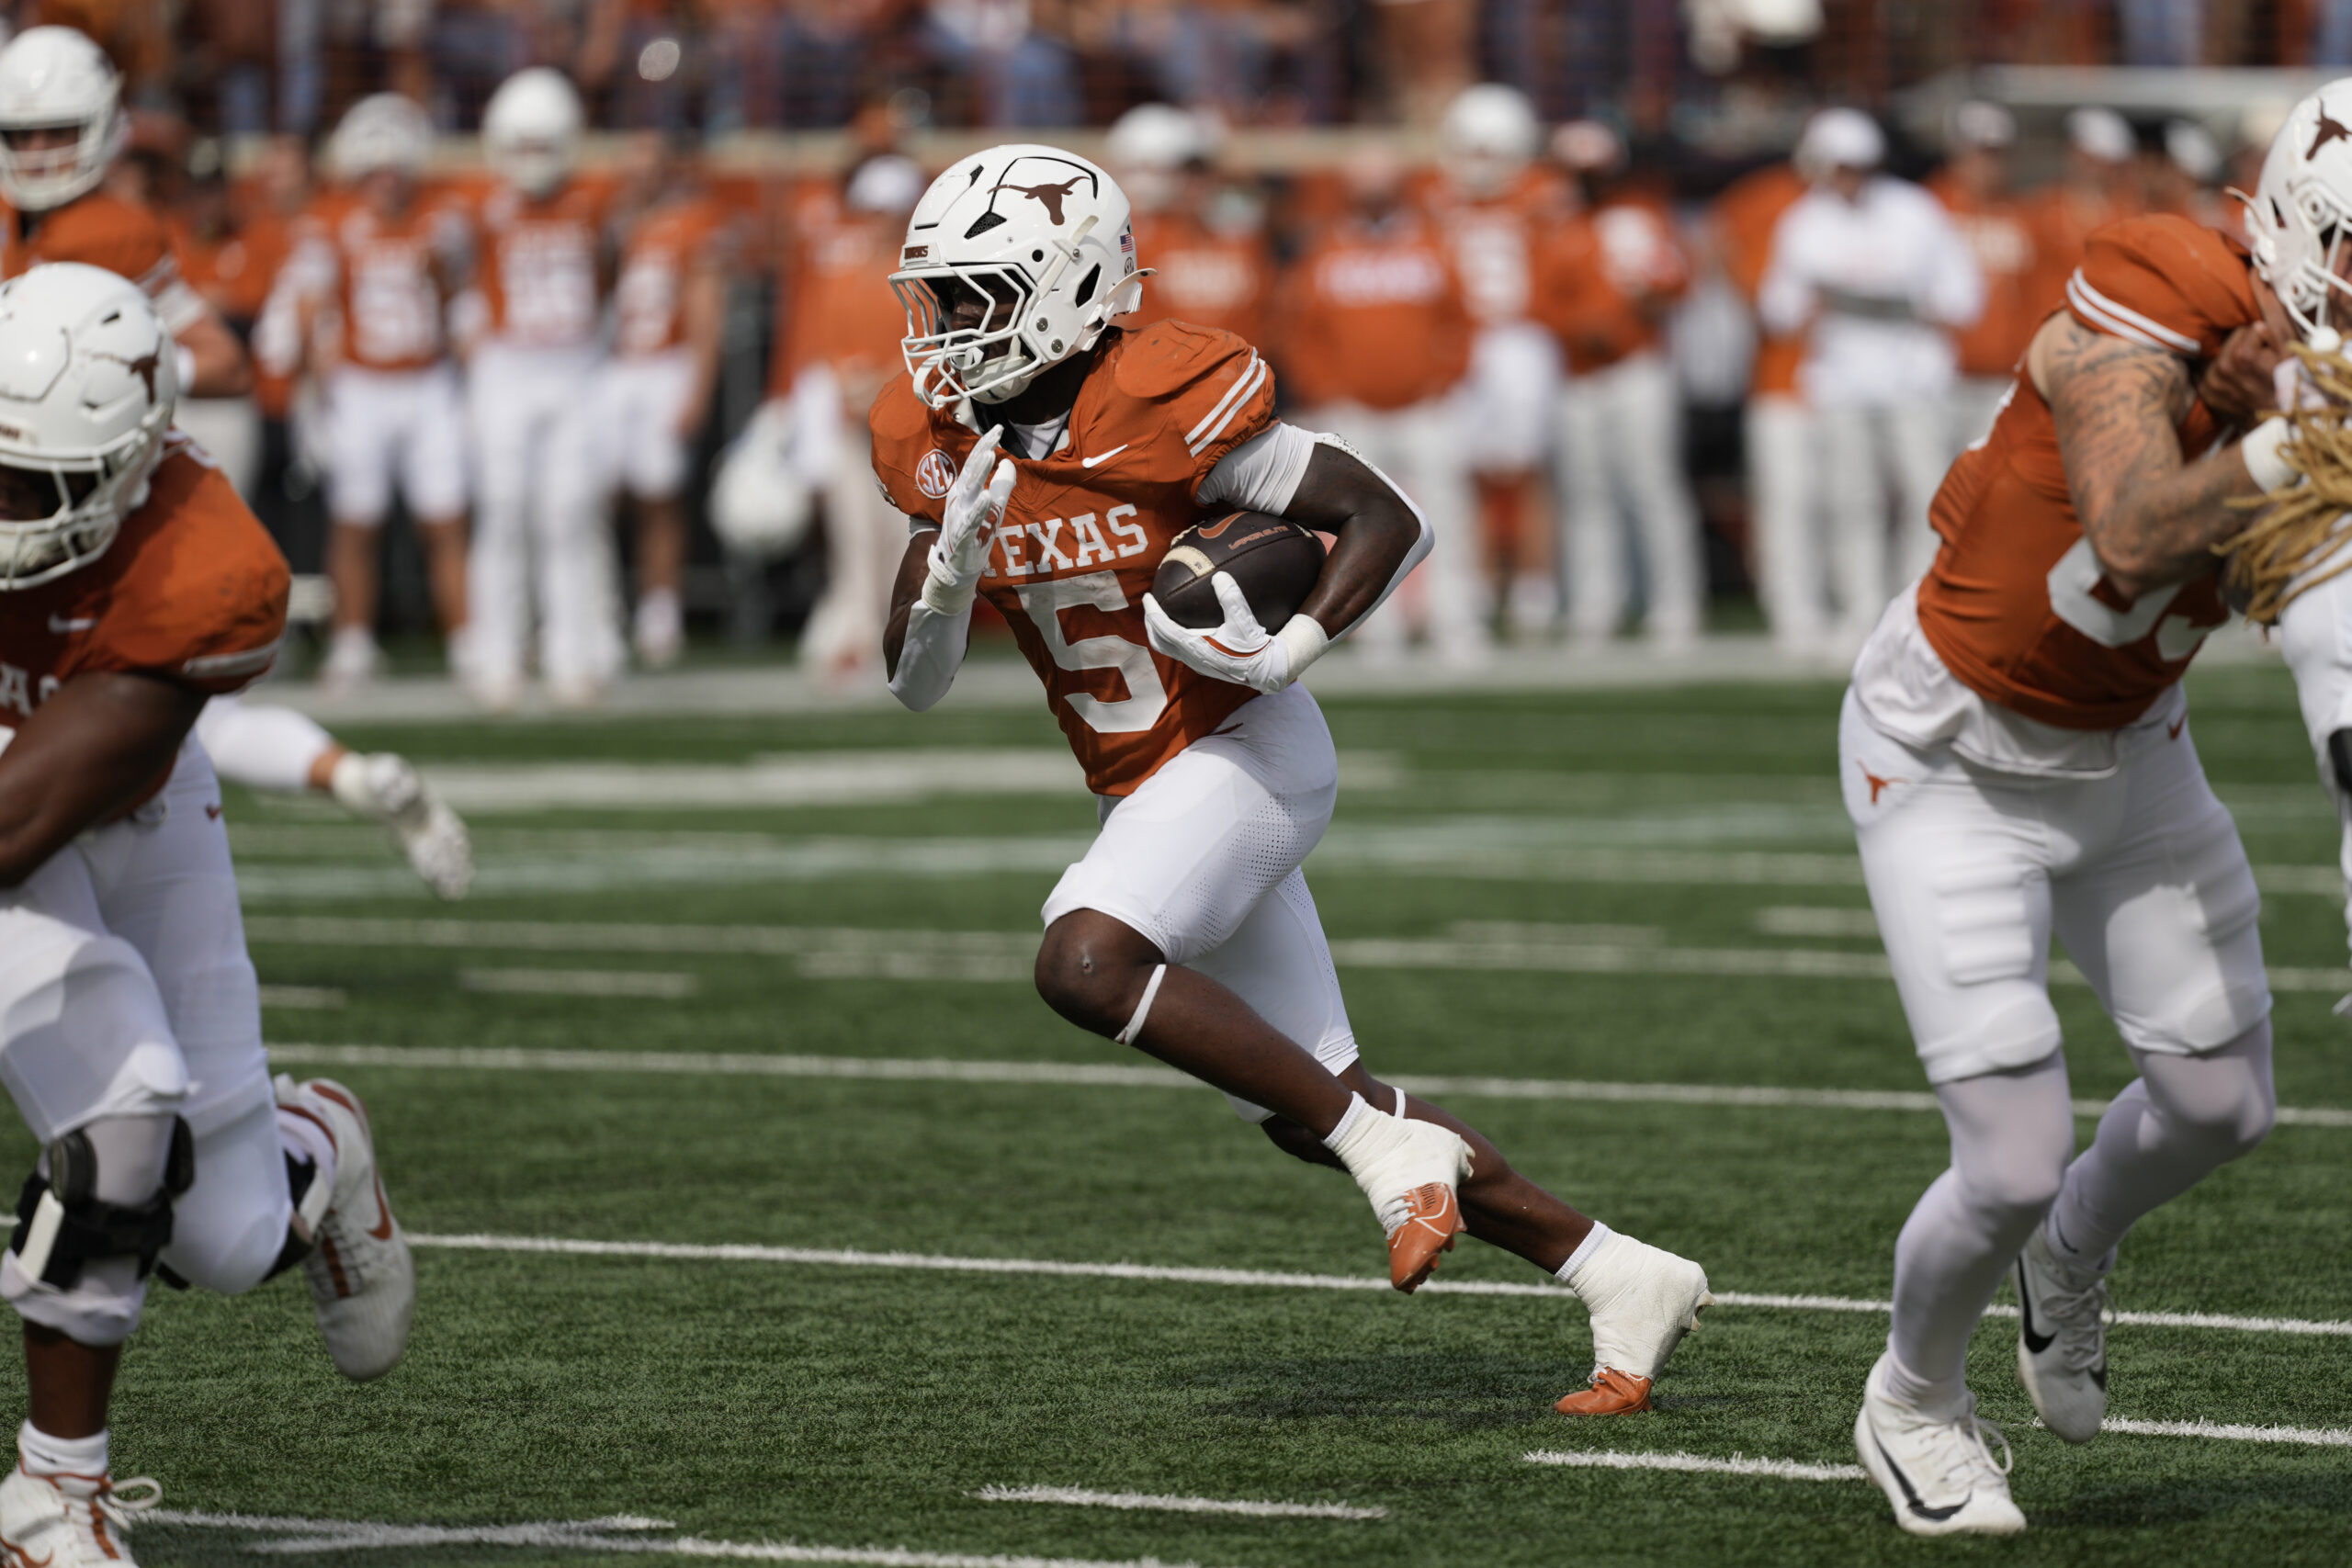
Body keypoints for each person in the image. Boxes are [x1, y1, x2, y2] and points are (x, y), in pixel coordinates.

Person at [876, 143, 1712, 1416]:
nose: (943, 332)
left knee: (1084, 960)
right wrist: (945, 577)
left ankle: (1391, 1152)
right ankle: (1616, 1270)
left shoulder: (1161, 391)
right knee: (1306, 1095)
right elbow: (916, 683)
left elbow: (1387, 515)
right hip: (1148, 783)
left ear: (1064, 287)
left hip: (1245, 751)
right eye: (937, 298)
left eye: (975, 295)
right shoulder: (942, 441)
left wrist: (1285, 651)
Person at [1837, 85, 2313, 1535]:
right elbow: (2128, 524)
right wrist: (2285, 444)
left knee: (2227, 1101)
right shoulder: (2160, 292)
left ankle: (2073, 1249)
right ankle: (1912, 1395)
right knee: (2011, 1152)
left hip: (2136, 744)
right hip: (1951, 751)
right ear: (2291, 219)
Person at [0, 263, 414, 1568]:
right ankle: (53, 1497)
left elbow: (20, 819)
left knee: (229, 1236)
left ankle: (317, 1136)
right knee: (123, 1110)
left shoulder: (206, 559)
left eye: (37, 491)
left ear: (130, 467)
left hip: (95, 782)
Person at [0, 28, 469, 898]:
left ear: (104, 126)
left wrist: (94, 396)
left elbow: (217, 357)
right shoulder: (26, 222)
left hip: (97, 486)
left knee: (130, 696)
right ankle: (350, 774)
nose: (35, 154)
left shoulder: (107, 229)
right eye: (19, 135)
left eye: (56, 132)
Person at [273, 92, 472, 694]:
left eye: (396, 167)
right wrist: (312, 395)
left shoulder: (442, 219)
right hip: (362, 385)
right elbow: (310, 313)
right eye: (376, 169)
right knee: (356, 520)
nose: (387, 181)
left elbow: (460, 301)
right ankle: (353, 641)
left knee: (446, 518)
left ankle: (468, 641)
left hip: (428, 380)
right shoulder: (330, 223)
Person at [1760, 109, 1982, 649]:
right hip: (1841, 380)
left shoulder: (1914, 211)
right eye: (1840, 167)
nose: (1850, 178)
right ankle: (1861, 610)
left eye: (1858, 166)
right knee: (1850, 499)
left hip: (1912, 378)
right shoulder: (1803, 222)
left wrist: (1896, 306)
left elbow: (1962, 296)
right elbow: (1778, 309)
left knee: (1925, 494)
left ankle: (1920, 609)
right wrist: (1823, 302)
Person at [1274, 141, 1485, 664]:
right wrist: (1327, 388)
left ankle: (1455, 622)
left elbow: (1461, 320)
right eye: (1366, 193)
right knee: (1359, 526)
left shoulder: (1432, 244)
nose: (1375, 203)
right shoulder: (1325, 252)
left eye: (1382, 193)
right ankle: (1376, 631)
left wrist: (1446, 377)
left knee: (1448, 517)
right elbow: (1299, 331)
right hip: (1354, 412)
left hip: (1425, 407)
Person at [459, 67, 618, 711]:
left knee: (568, 514)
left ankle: (570, 652)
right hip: (508, 368)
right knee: (501, 509)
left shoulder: (594, 202)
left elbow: (610, 278)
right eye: (520, 146)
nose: (531, 162)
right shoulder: (480, 208)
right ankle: (496, 654)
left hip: (573, 366)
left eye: (542, 146)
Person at [1537, 120, 1703, 650]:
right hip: (1578, 374)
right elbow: (1539, 302)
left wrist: (1632, 316)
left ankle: (1675, 604)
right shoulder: (1552, 224)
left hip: (1636, 367)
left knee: (1652, 486)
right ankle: (1596, 605)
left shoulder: (1639, 216)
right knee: (1588, 494)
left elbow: (1674, 283)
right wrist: (1578, 328)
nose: (1587, 183)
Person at [763, 152, 927, 682]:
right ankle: (857, 639)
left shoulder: (924, 280)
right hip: (848, 423)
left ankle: (881, 640)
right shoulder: (844, 272)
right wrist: (846, 385)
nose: (880, 219)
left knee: (894, 542)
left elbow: (928, 351)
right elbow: (822, 345)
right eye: (873, 209)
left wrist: (880, 384)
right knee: (854, 537)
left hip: (907, 429)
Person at [1424, 84, 1571, 638]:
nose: (1476, 164)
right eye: (1470, 149)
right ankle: (1477, 586)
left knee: (1527, 469)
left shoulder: (1543, 197)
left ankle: (1536, 591)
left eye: (1488, 151)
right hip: (1465, 341)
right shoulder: (1436, 198)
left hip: (1521, 341)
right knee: (1467, 469)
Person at [602, 132, 732, 670]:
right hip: (613, 367)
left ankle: (660, 611)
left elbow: (705, 308)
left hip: (664, 364)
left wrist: (697, 385)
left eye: (651, 165)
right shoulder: (613, 222)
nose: (642, 176)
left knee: (659, 495)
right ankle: (602, 603)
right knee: (597, 492)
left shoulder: (692, 223)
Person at [1710, 145, 1815, 653]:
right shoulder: (1768, 198)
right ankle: (1790, 605)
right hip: (1782, 378)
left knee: (1845, 503)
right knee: (1786, 500)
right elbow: (1718, 239)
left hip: (1848, 383)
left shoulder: (1883, 209)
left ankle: (1843, 601)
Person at [1104, 105, 1272, 349]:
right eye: (1186, 175)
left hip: (1231, 373)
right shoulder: (1142, 241)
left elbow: (1264, 316)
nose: (1195, 186)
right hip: (1158, 371)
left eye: (1202, 175)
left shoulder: (1243, 242)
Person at [1928, 101, 2040, 451]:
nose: (1988, 164)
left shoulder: (2022, 215)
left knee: (1988, 489)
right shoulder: (1927, 207)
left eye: (1997, 154)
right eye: (1979, 152)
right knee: (1930, 485)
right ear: (1956, 153)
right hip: (1937, 377)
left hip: (2000, 377)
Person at [2021, 107, 2137, 318]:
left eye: (2104, 162)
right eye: (2090, 158)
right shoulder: (2041, 208)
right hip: (2050, 330)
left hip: (2102, 334)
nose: (2095, 168)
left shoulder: (2126, 213)